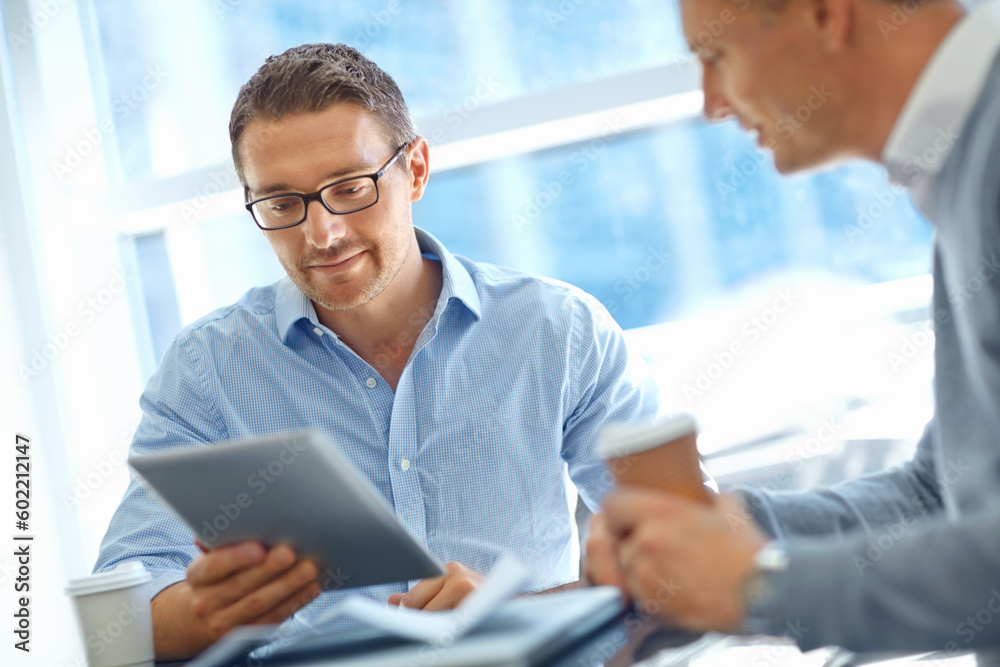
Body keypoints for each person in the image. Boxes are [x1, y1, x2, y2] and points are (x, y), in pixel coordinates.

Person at [95, 43, 662, 660]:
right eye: (283, 204)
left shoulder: (560, 331)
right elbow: (123, 613)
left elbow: (685, 559)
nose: (323, 233)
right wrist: (210, 611)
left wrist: (513, 617)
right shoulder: (206, 370)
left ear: (415, 169)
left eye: (350, 187)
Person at [586, 0, 1000, 659]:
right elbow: (944, 492)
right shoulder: (967, 169)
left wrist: (761, 586)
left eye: (716, 56)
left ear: (825, 14)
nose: (711, 103)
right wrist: (730, 534)